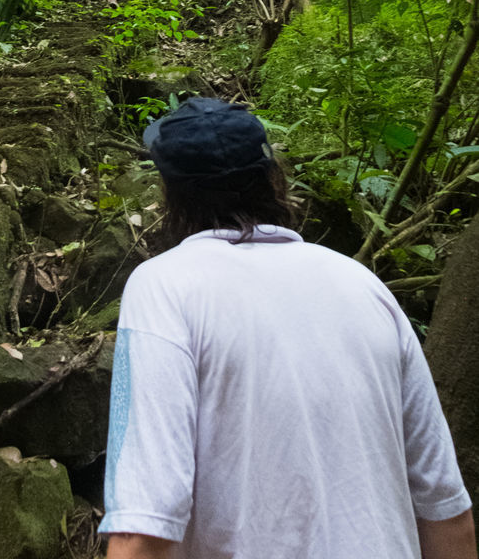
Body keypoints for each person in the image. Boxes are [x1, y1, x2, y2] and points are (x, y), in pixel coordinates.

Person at [100, 97, 476, 559]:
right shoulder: (362, 284)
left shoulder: (165, 287)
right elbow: (444, 508)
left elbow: (144, 528)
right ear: (272, 177)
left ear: (171, 195)